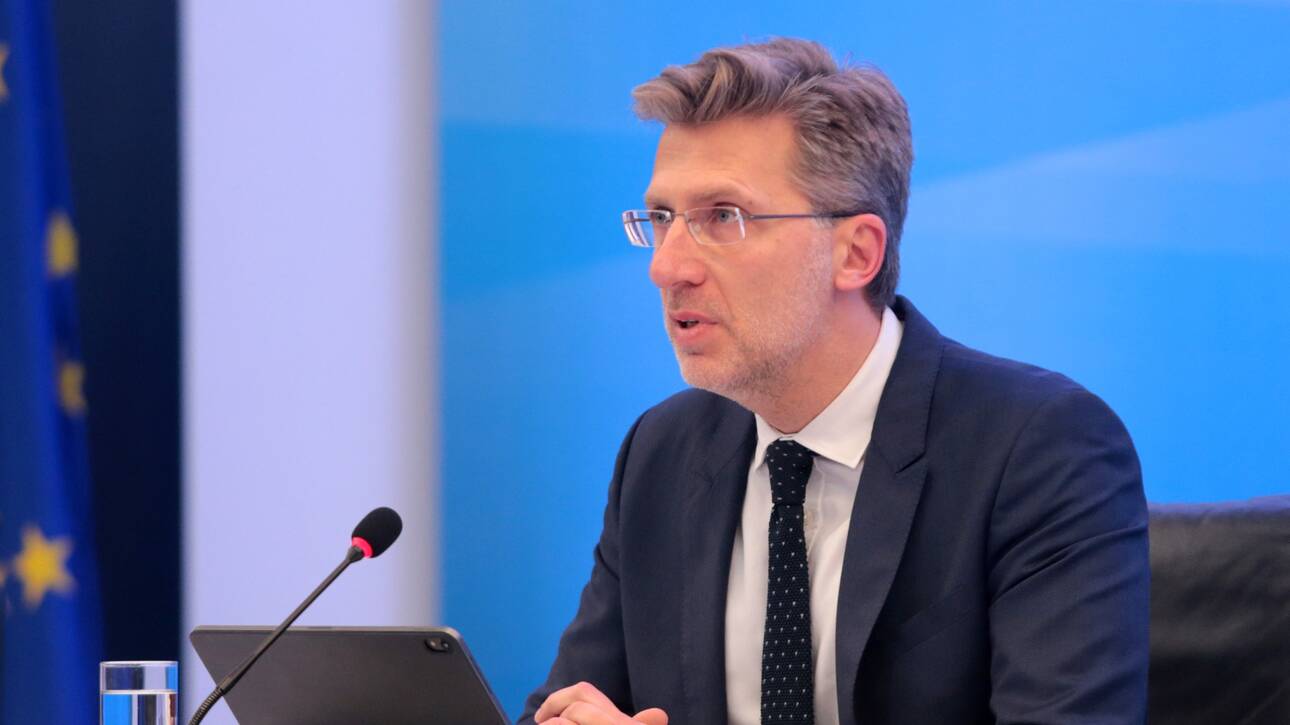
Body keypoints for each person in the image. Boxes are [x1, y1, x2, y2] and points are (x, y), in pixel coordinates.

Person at [521, 38, 1148, 725]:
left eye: (722, 217)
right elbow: (567, 706)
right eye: (663, 219)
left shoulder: (1038, 449)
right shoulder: (661, 454)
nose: (666, 268)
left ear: (856, 252)